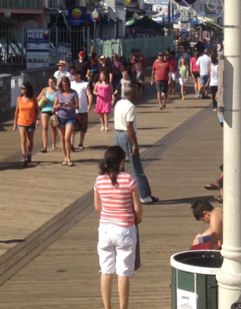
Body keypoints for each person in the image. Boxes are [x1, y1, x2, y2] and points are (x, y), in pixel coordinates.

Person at [94, 145, 143, 309]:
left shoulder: (99, 180)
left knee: (106, 271)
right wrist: (138, 217)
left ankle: (107, 307)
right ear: (122, 162)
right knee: (123, 272)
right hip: (125, 229)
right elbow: (137, 208)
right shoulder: (128, 179)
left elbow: (97, 207)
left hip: (105, 229)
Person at [114, 87, 157, 204]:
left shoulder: (118, 103)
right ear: (131, 93)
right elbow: (129, 125)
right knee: (136, 167)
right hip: (127, 136)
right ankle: (145, 196)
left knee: (119, 167)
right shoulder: (130, 106)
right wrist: (134, 144)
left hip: (117, 135)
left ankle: (120, 194)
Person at [54, 76, 78, 166]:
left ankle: (69, 157)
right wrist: (59, 106)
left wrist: (70, 105)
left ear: (69, 84)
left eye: (66, 85)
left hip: (71, 117)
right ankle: (64, 157)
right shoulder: (58, 93)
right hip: (60, 117)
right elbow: (54, 107)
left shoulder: (73, 93)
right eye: (63, 85)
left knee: (67, 137)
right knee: (62, 139)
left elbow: (77, 106)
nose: (64, 86)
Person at [13, 81, 38, 167]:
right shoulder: (19, 99)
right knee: (23, 140)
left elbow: (37, 110)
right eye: (21, 88)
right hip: (21, 122)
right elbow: (16, 111)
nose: (22, 90)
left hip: (31, 122)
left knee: (30, 141)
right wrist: (15, 123)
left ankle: (29, 153)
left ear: (28, 89)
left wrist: (35, 119)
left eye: (24, 88)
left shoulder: (33, 98)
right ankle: (25, 158)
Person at [70, 71, 92, 151]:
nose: (72, 76)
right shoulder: (71, 84)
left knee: (83, 127)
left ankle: (81, 143)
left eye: (73, 74)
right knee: (72, 127)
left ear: (78, 75)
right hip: (72, 109)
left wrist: (89, 105)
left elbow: (89, 95)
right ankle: (71, 144)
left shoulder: (85, 84)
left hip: (82, 109)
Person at [38, 77, 59, 152]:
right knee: (45, 127)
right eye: (49, 82)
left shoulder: (57, 91)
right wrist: (43, 96)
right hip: (45, 110)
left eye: (52, 82)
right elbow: (37, 98)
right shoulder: (45, 89)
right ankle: (45, 147)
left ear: (55, 83)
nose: (50, 84)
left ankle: (53, 144)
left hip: (53, 111)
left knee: (54, 128)